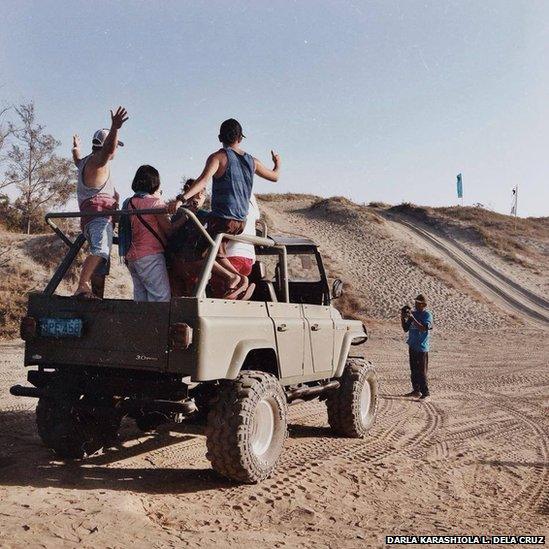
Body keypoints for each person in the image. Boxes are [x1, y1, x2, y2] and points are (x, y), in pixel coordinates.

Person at [177, 118, 279, 298]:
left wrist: (181, 198)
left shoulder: (219, 157)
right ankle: (238, 279)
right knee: (217, 253)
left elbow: (202, 181)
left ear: (219, 137)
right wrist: (277, 162)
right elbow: (275, 177)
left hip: (222, 219)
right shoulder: (252, 161)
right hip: (240, 222)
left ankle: (235, 278)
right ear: (240, 138)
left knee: (194, 253)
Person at [72, 106, 128, 298]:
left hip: (95, 217)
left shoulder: (85, 161)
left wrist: (76, 147)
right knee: (100, 250)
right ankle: (82, 284)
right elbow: (108, 150)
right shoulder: (98, 161)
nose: (116, 151)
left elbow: (76, 159)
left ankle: (95, 294)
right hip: (98, 217)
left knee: (101, 259)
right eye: (115, 146)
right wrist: (115, 127)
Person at [122, 165, 173, 302]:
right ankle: (159, 324)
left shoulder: (128, 203)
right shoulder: (155, 203)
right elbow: (168, 229)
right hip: (151, 255)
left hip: (132, 256)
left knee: (141, 299)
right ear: (155, 182)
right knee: (160, 297)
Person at [210, 193, 260, 297]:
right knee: (232, 290)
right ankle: (240, 292)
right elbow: (256, 219)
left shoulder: (229, 193)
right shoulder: (250, 197)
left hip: (232, 255)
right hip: (249, 256)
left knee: (219, 288)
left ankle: (238, 285)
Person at [401, 294, 433, 401]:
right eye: (415, 302)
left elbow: (423, 328)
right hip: (412, 345)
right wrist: (402, 316)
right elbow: (405, 328)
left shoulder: (427, 315)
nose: (416, 304)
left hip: (422, 347)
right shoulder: (413, 314)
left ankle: (426, 394)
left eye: (418, 303)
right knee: (413, 370)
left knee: (422, 371)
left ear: (424, 304)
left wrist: (412, 317)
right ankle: (416, 391)